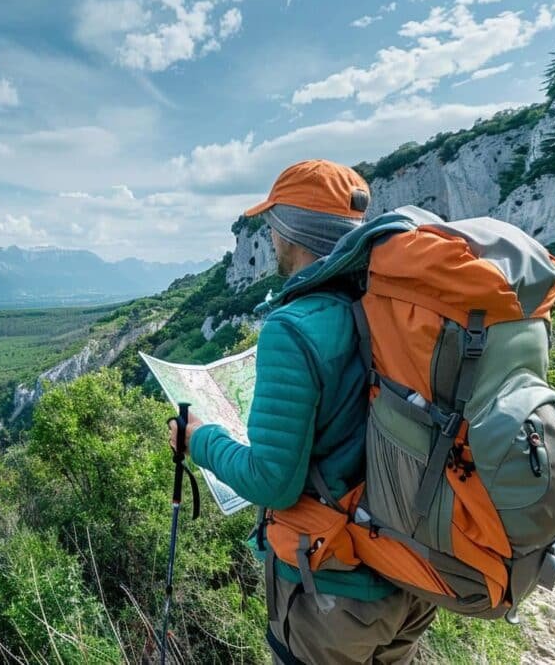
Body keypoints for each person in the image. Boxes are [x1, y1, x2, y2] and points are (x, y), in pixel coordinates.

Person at [168, 159, 436, 664]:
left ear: (289, 232)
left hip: (336, 589)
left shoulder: (293, 328)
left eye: (273, 225)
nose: (270, 238)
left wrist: (197, 437)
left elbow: (273, 482)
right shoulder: (389, 307)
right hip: (410, 574)